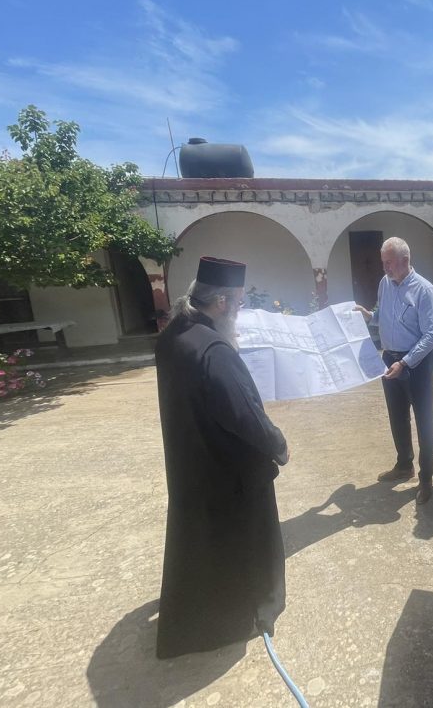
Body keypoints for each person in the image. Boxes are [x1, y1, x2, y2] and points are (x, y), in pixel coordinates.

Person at [154, 256, 290, 659]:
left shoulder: (174, 335)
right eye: (239, 303)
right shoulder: (215, 349)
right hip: (230, 471)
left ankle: (200, 623)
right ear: (222, 303)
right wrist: (278, 445)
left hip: (191, 465)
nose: (239, 312)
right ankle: (254, 611)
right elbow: (246, 416)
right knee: (249, 544)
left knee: (203, 546)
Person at [354, 237, 433, 505]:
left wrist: (405, 362)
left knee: (423, 421)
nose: (385, 268)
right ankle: (404, 465)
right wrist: (369, 316)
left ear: (405, 260)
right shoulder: (385, 283)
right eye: (383, 263)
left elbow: (431, 335)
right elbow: (383, 315)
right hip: (389, 358)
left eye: (389, 263)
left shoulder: (424, 290)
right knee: (397, 416)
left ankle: (426, 478)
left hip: (415, 363)